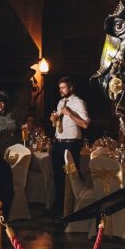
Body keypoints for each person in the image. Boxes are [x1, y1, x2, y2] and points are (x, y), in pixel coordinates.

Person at [50, 76, 90, 215]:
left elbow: (85, 124)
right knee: (58, 178)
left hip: (71, 146)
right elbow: (60, 124)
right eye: (59, 88)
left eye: (63, 87)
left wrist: (70, 114)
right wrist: (53, 120)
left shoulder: (79, 102)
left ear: (71, 87)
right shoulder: (60, 102)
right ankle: (59, 207)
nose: (60, 90)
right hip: (58, 144)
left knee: (71, 177)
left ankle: (72, 209)